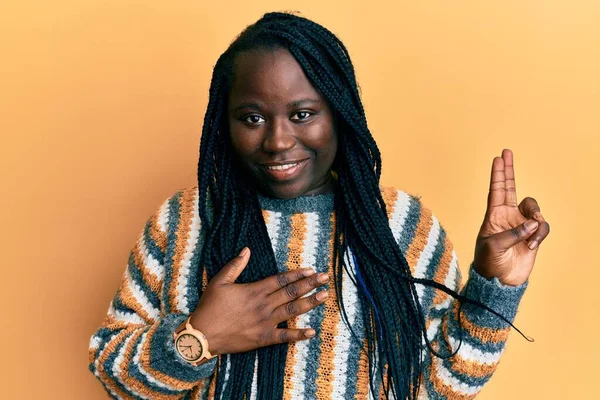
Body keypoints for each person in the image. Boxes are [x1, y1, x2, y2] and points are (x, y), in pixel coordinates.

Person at [88, 11, 550, 400]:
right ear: (223, 122)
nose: (278, 140)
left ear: (339, 113)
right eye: (252, 118)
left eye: (303, 114)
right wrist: (199, 338)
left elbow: (441, 386)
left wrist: (496, 285)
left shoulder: (401, 224)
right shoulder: (186, 220)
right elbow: (112, 371)